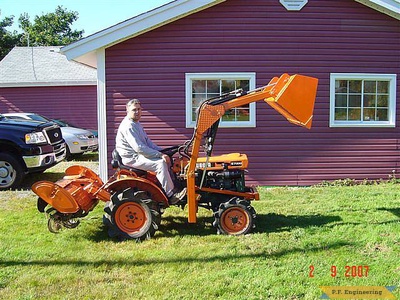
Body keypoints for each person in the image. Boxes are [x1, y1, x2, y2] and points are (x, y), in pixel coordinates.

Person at [115, 98, 186, 204]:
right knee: (160, 164)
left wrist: (164, 151)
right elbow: (139, 148)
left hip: (138, 155)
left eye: (139, 109)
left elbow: (148, 143)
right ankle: (171, 195)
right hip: (132, 158)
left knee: (165, 159)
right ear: (127, 110)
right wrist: (160, 155)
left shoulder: (136, 124)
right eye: (134, 110)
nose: (137, 112)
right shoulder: (128, 126)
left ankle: (174, 187)